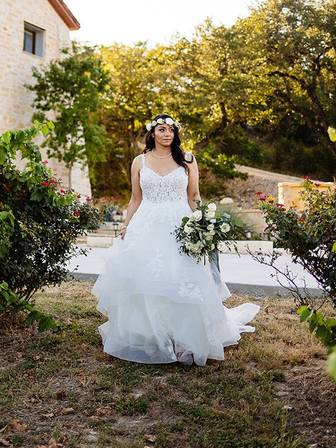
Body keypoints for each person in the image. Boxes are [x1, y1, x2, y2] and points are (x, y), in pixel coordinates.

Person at [91, 114, 259, 365]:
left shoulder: (188, 160)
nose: (167, 133)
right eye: (161, 129)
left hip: (180, 224)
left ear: (175, 133)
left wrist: (202, 223)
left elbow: (194, 196)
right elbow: (135, 198)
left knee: (182, 279)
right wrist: (126, 224)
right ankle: (150, 337)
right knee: (147, 280)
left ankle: (185, 339)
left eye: (171, 129)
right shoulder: (139, 161)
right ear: (152, 133)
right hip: (146, 225)